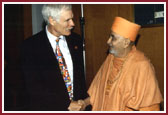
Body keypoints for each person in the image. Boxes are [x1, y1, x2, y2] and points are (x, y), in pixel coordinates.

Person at [68, 17, 163, 111]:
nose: (108, 41)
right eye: (110, 36)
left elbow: (151, 107)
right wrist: (84, 103)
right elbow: (98, 93)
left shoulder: (142, 65)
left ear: (126, 43)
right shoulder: (111, 58)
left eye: (113, 38)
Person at [20, 4, 88, 111]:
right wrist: (66, 104)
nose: (73, 24)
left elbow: (80, 79)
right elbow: (33, 87)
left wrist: (83, 102)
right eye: (67, 20)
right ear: (52, 20)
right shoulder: (30, 46)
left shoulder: (76, 40)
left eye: (72, 19)